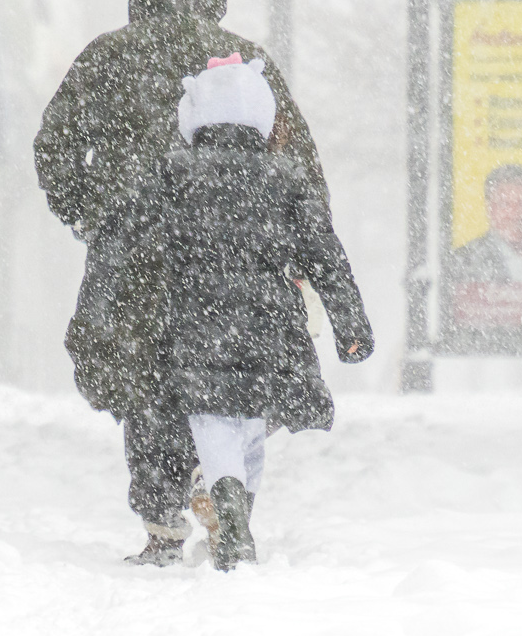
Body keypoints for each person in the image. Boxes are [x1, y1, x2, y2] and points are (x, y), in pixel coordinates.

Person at [33, 0, 330, 566]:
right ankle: (217, 478)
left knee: (145, 382)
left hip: (135, 254)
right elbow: (299, 162)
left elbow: (53, 145)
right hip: (228, 256)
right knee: (225, 374)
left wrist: (88, 211)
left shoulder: (108, 58)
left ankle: (163, 520)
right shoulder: (244, 62)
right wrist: (296, 246)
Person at [87, 55, 373, 570]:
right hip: (270, 321)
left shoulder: (172, 172)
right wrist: (350, 325)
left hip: (196, 318)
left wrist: (100, 305)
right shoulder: (286, 177)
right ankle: (236, 522)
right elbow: (326, 256)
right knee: (251, 421)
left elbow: (119, 241)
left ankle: (231, 522)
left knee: (211, 418)